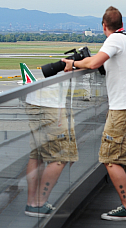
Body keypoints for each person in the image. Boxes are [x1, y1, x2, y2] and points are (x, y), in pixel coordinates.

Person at [63, 6, 126, 221]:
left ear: (103, 26)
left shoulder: (114, 40)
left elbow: (94, 62)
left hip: (123, 110)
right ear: (121, 23)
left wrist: (73, 64)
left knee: (110, 159)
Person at [24, 84, 78, 218]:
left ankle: (32, 202)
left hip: (34, 102)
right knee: (62, 155)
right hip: (51, 105)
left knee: (37, 154)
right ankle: (39, 203)